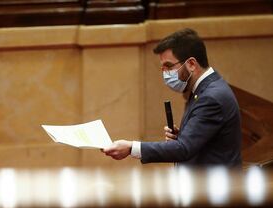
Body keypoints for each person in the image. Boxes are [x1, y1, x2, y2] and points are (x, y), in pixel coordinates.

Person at [102, 28, 242, 167]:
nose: (165, 73)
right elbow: (203, 141)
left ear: (191, 64)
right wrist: (184, 134)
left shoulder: (211, 97)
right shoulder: (204, 89)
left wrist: (131, 148)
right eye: (162, 68)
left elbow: (183, 149)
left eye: (169, 66)